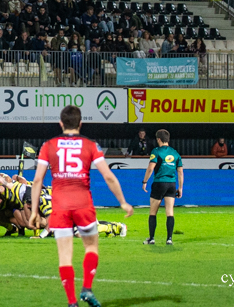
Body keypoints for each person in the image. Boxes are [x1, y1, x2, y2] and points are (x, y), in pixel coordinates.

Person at [30, 105, 133, 307]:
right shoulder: (90, 145)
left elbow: (37, 180)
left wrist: (34, 211)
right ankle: (86, 288)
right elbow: (109, 176)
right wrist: (123, 202)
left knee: (65, 256)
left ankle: (72, 302)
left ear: (61, 124)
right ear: (80, 123)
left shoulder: (48, 145)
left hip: (60, 205)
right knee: (91, 246)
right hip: (83, 203)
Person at [142, 129, 183, 246]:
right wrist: (180, 188)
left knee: (153, 212)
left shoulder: (156, 151)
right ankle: (169, 239)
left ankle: (152, 238)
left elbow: (151, 167)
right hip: (171, 184)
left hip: (159, 183)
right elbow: (180, 172)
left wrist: (145, 181)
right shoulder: (175, 153)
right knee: (170, 212)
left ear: (158, 139)